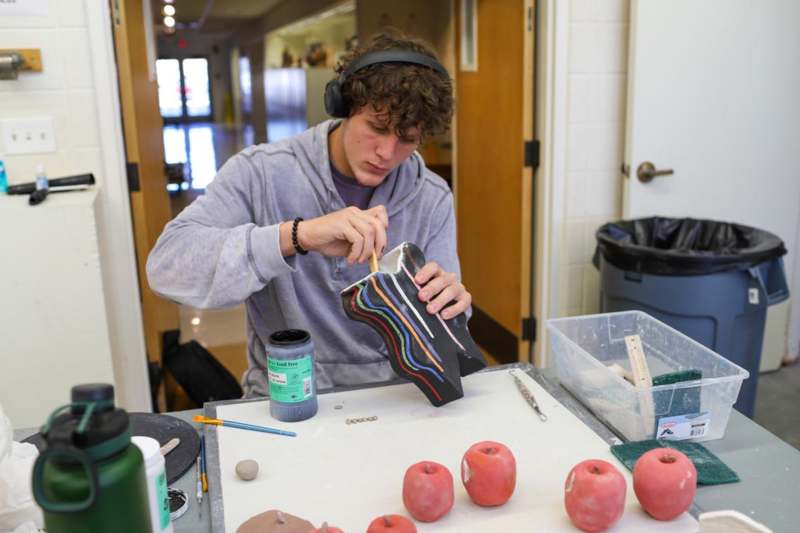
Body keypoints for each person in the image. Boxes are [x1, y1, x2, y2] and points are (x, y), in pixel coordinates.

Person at [147, 32, 471, 396]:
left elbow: (444, 328)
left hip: (396, 396)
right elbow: (166, 269)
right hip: (288, 395)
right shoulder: (260, 173)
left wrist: (451, 306)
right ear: (344, 105)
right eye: (377, 128)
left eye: (407, 139)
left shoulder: (431, 196)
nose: (386, 152)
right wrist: (297, 236)